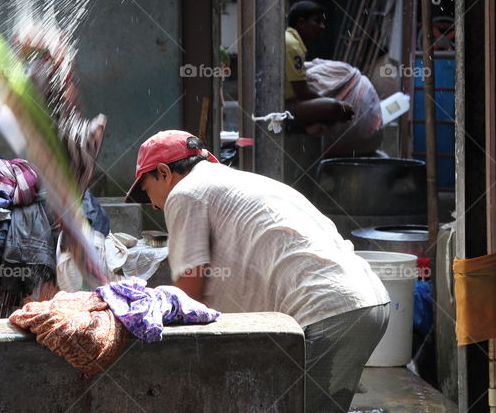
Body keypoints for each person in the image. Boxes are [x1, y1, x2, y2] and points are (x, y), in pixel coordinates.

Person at [126, 130, 390, 410]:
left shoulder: (185, 193)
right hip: (362, 299)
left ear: (164, 173)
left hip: (330, 311)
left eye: (146, 191)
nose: (153, 204)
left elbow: (188, 299)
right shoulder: (238, 183)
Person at [285, 1, 353, 133]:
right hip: (282, 108)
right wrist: (339, 105)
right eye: (317, 21)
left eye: (323, 22)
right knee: (334, 108)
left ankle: (307, 127)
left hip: (287, 104)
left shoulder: (291, 41)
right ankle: (304, 129)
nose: (322, 27)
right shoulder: (292, 45)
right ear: (301, 23)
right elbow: (303, 93)